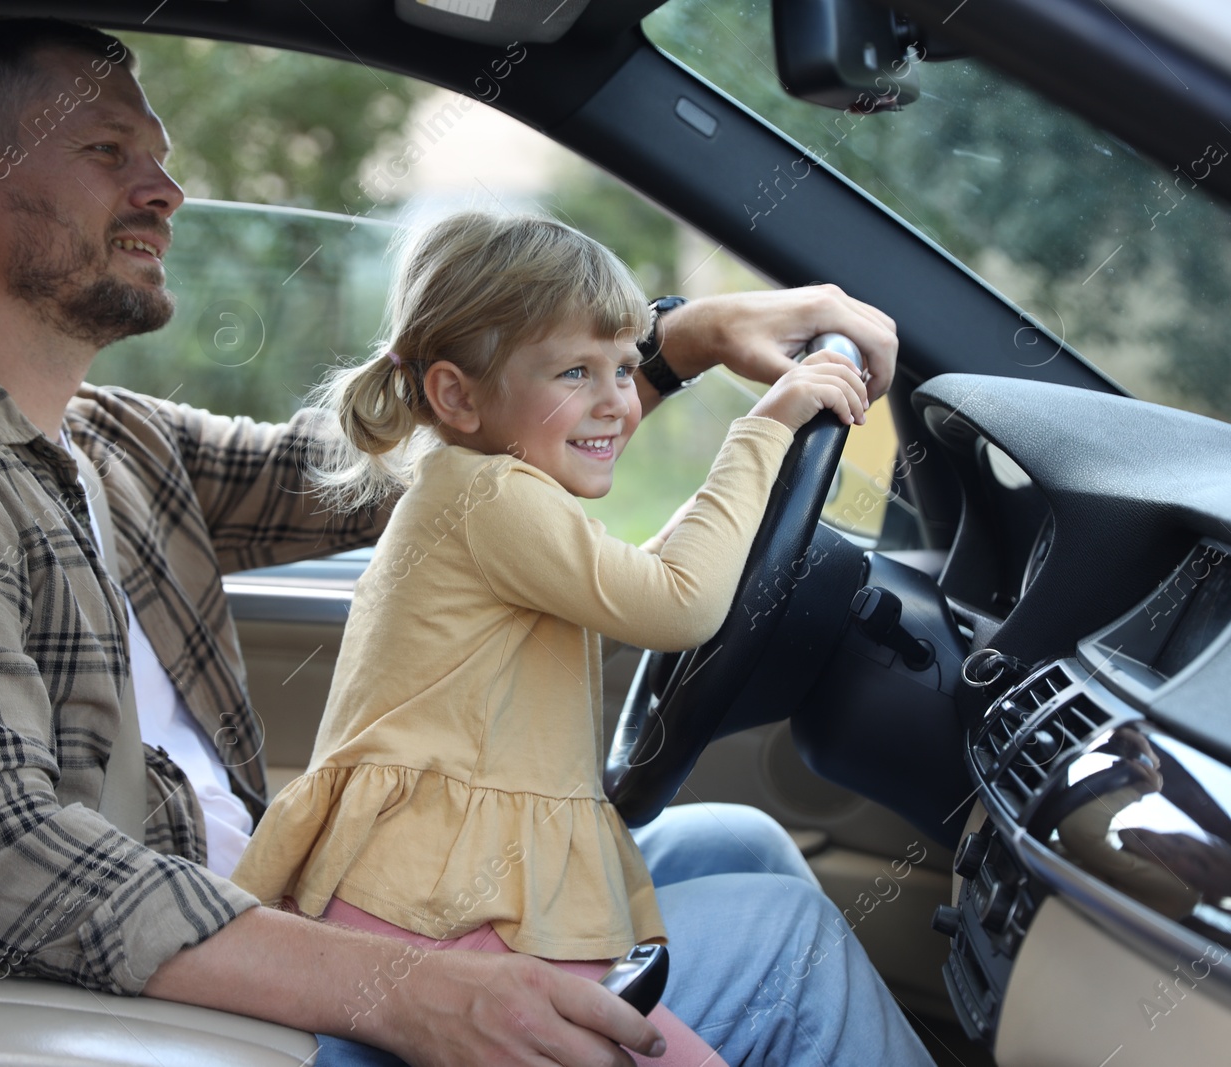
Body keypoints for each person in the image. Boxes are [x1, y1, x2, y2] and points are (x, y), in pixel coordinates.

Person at [0, 16, 925, 1066]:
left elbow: (398, 480)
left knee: (746, 843)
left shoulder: (106, 436)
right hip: (180, 999)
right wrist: (411, 989)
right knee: (782, 943)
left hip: (272, 908)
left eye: (157, 157)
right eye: (109, 152)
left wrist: (675, 342)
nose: (165, 189)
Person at [229, 210, 913, 1067]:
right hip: (438, 905)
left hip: (441, 871)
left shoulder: (487, 486)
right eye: (575, 371)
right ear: (456, 395)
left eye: (627, 367)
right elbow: (676, 606)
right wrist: (767, 428)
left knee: (747, 840)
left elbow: (640, 580)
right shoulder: (491, 497)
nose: (617, 401)